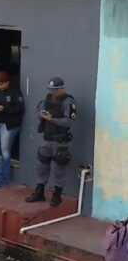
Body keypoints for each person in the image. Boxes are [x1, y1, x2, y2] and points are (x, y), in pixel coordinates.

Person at [25, 77, 76, 207]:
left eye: (55, 90)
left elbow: (69, 121)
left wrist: (51, 118)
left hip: (60, 141)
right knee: (41, 165)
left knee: (59, 168)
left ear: (61, 88)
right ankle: (39, 192)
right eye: (50, 89)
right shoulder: (46, 99)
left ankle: (57, 195)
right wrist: (41, 115)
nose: (52, 92)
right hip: (46, 138)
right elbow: (38, 111)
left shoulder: (69, 102)